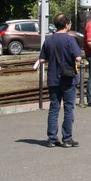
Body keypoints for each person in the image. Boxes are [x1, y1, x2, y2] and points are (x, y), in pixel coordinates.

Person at [35, 14, 82, 147]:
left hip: (53, 78)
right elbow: (78, 58)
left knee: (54, 108)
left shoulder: (49, 40)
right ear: (67, 24)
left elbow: (42, 59)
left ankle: (52, 138)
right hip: (68, 79)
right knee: (68, 108)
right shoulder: (70, 40)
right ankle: (67, 138)